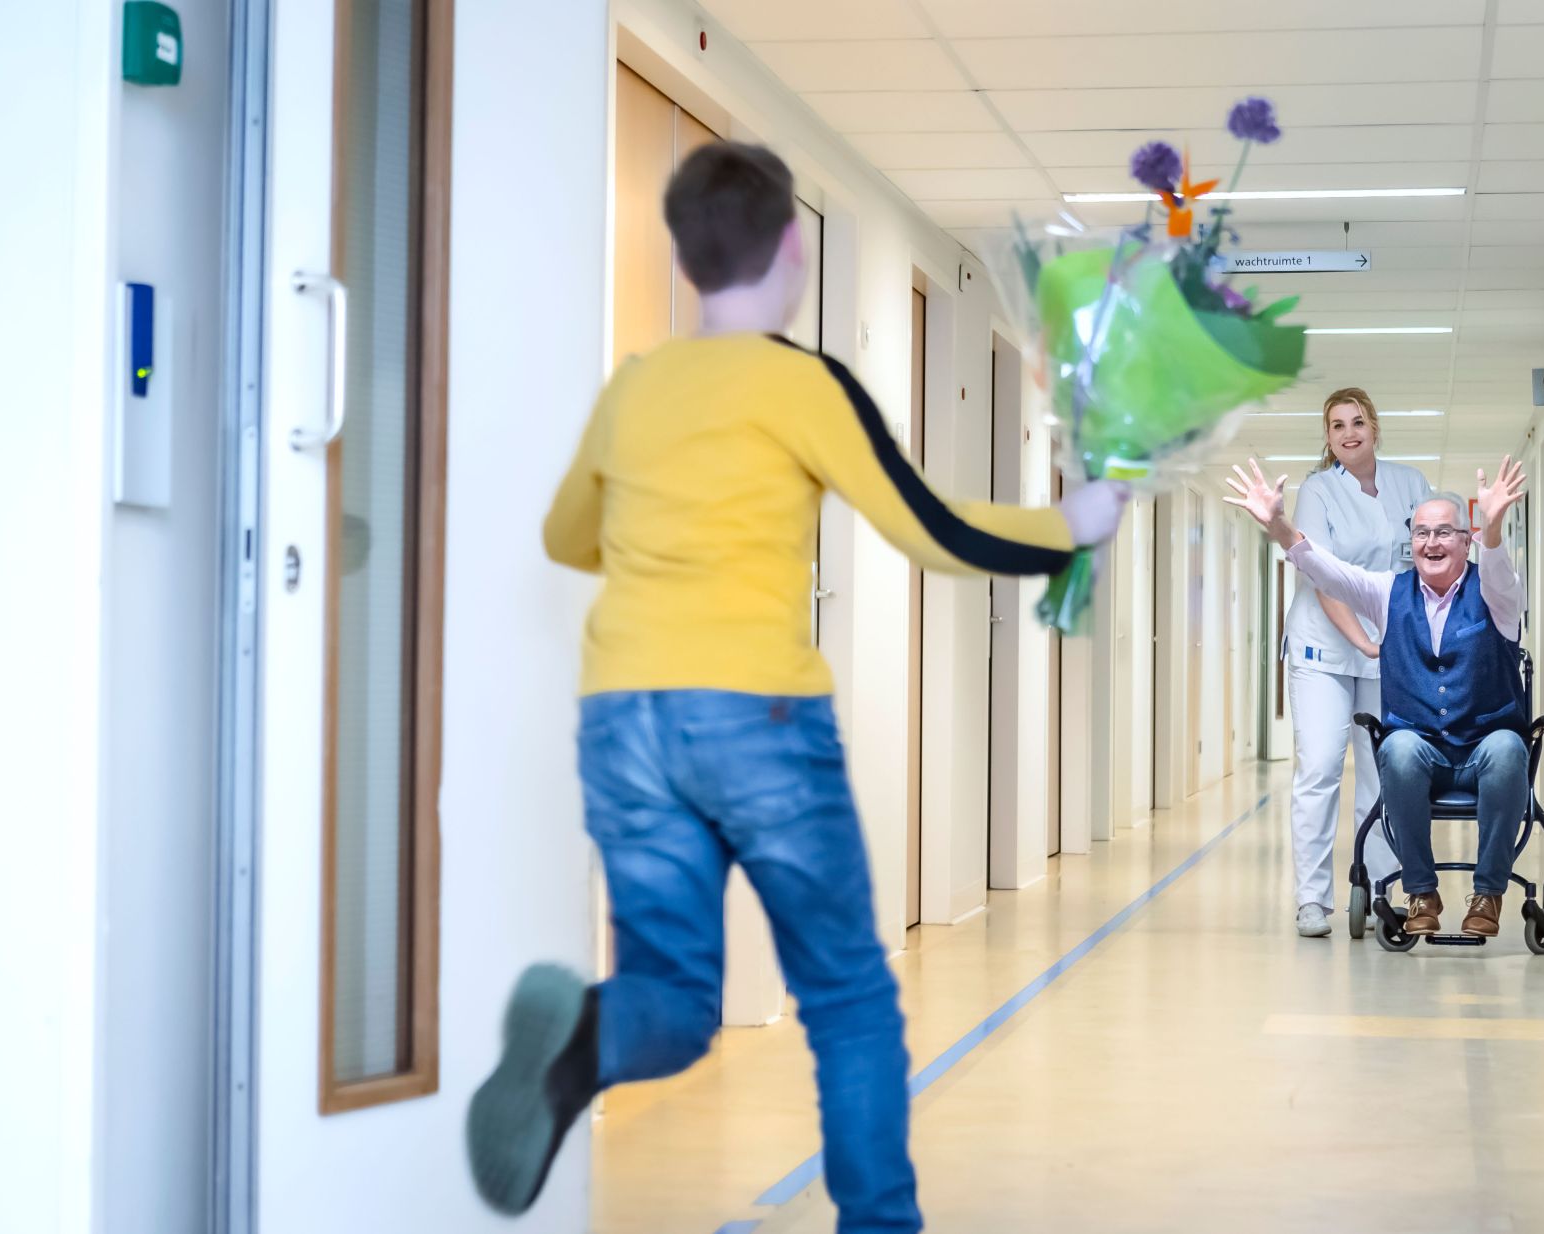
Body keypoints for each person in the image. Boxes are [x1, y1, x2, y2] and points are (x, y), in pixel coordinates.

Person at [464, 141, 1131, 1231]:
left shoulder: (635, 385)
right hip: (754, 714)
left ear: (684, 259)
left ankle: (585, 1040)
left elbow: (566, 534)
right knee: (848, 999)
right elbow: (930, 525)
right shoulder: (803, 380)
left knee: (676, 1001)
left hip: (622, 714)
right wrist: (1068, 528)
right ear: (793, 248)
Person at [1227, 456, 1529, 939]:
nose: (1431, 543)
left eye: (1445, 532)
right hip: (1424, 750)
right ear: (1411, 543)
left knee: (1510, 747)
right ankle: (1421, 892)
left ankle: (1488, 893)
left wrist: (1492, 529)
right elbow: (1328, 572)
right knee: (1398, 748)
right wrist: (1281, 526)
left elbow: (1496, 572)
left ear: (1465, 541)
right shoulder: (1388, 591)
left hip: (1482, 749)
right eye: (1422, 533)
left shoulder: (1496, 596)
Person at [1234, 389, 1431, 938]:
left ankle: (1380, 889)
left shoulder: (1412, 484)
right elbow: (1321, 575)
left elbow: (1429, 558)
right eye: (1337, 425)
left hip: (1385, 652)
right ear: (1327, 436)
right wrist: (1365, 643)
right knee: (1320, 768)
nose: (1348, 433)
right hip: (1324, 651)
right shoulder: (1318, 491)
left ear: (1375, 427)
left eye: (1358, 422)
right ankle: (1312, 900)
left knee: (1385, 773)